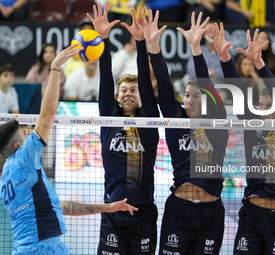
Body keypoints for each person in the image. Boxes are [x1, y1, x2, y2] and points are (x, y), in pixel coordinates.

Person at [0, 44, 138, 255]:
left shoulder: (7, 178)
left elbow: (60, 207)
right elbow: (48, 112)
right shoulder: (24, 159)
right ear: (18, 146)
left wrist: (106, 207)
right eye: (26, 136)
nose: (31, 136)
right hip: (42, 250)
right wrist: (55, 68)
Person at [212, 25, 275, 254]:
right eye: (260, 106)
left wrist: (261, 64)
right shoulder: (254, 127)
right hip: (252, 215)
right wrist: (224, 57)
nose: (262, 110)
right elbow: (236, 90)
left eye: (268, 105)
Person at [144, 10, 228, 254]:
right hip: (178, 210)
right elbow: (163, 79)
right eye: (187, 96)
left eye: (196, 96)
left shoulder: (216, 122)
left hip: (211, 211)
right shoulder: (176, 120)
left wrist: (195, 47)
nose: (190, 100)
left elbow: (204, 81)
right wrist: (153, 46)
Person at [87, 3, 159, 254]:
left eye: (134, 90)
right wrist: (103, 39)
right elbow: (105, 74)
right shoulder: (109, 116)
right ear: (117, 97)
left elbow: (144, 75)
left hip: (144, 211)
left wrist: (141, 42)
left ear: (141, 97)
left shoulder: (150, 118)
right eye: (124, 91)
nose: (128, 94)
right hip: (113, 210)